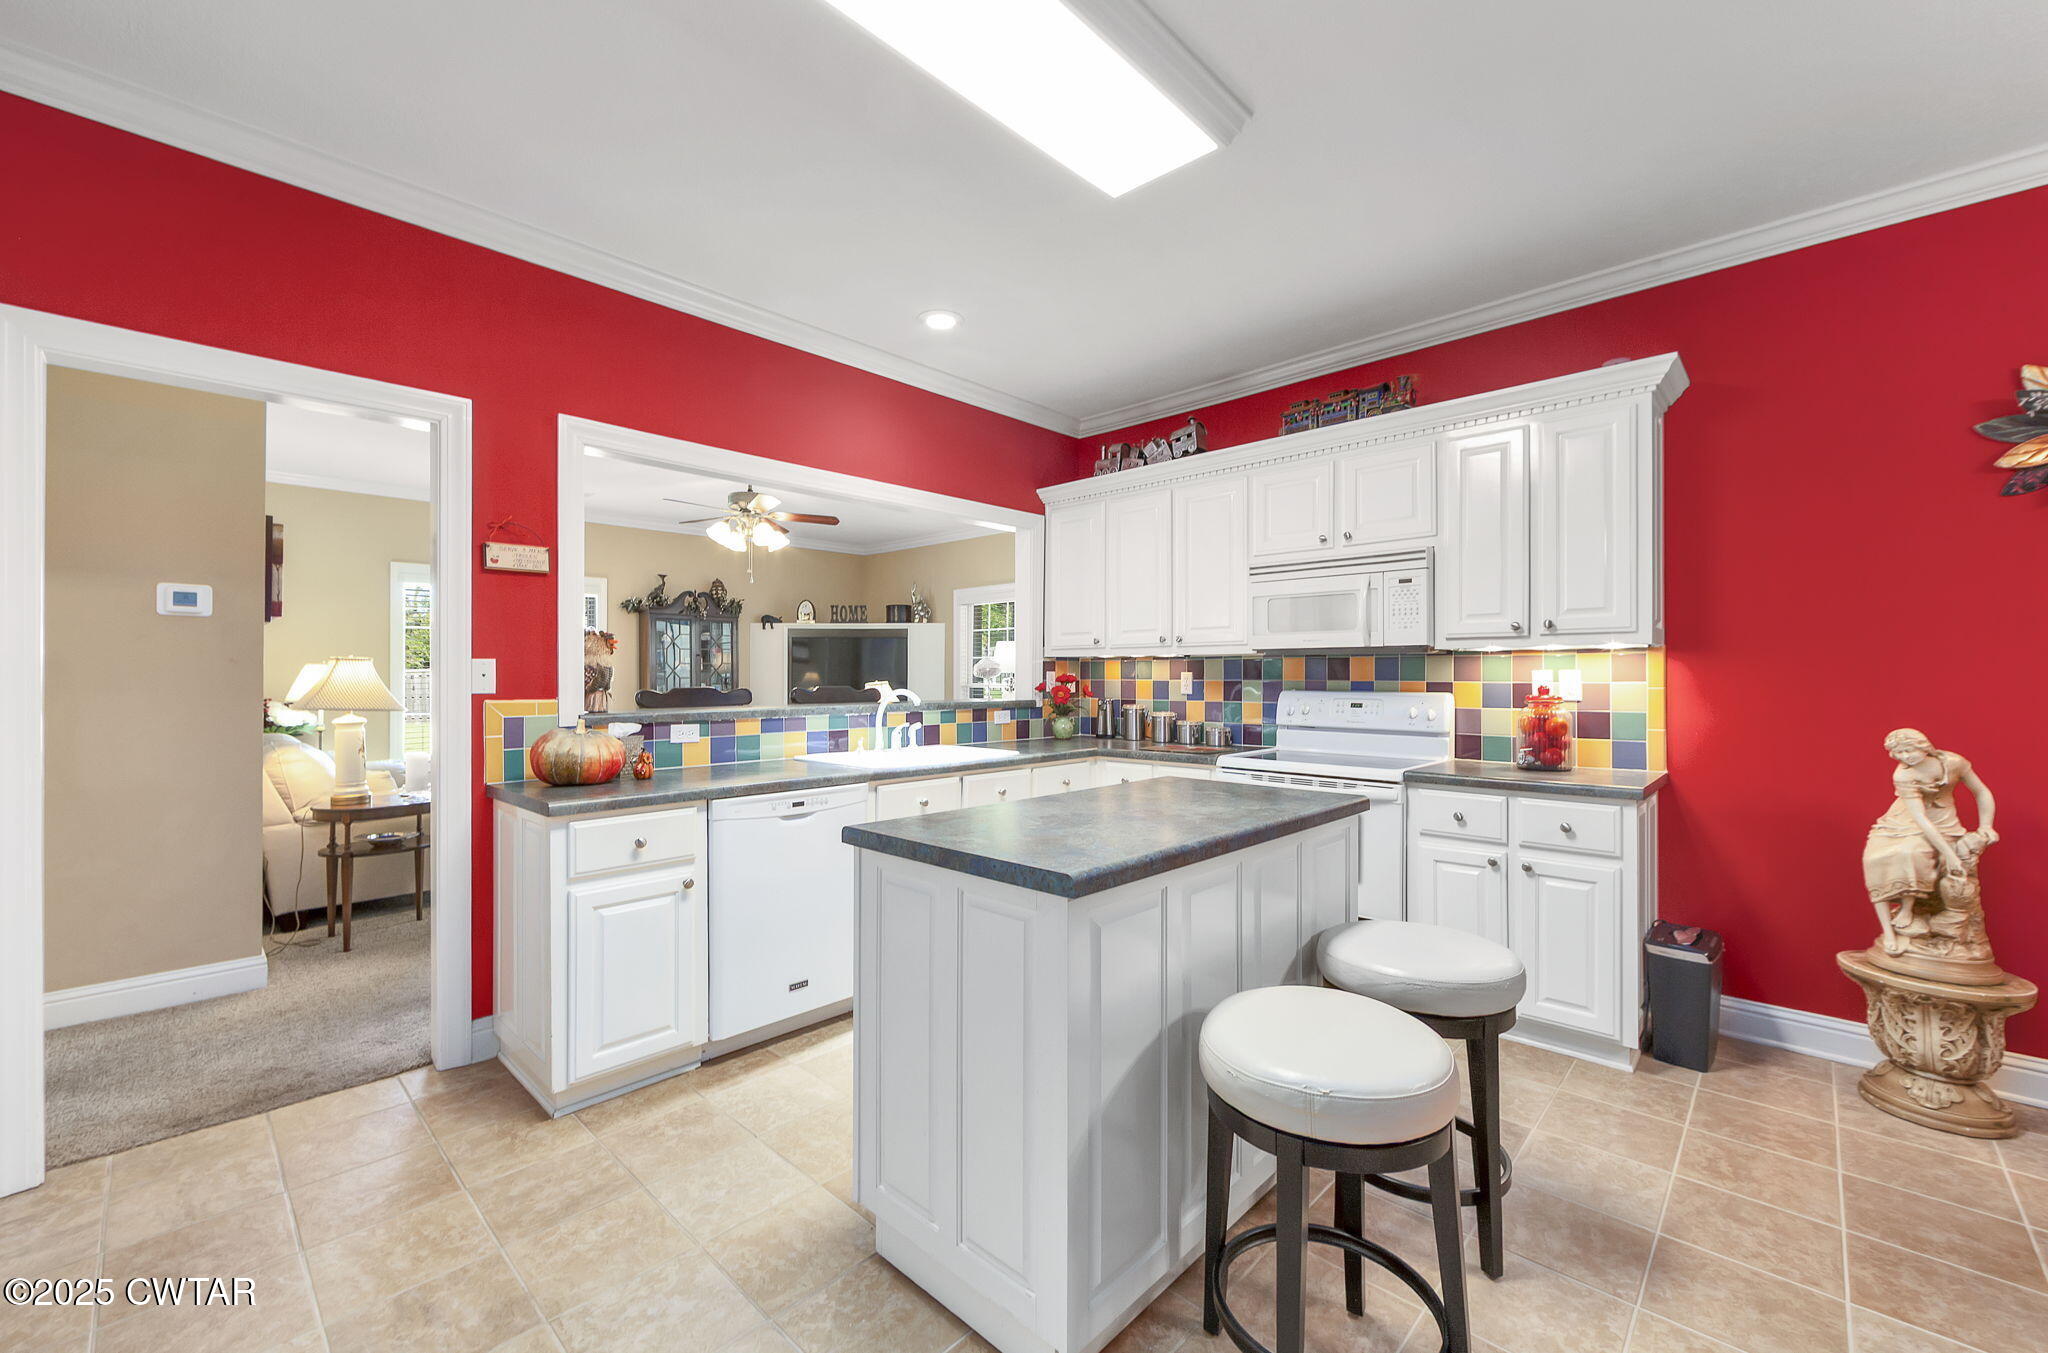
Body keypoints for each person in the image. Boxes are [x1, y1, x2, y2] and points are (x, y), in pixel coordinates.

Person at [1863, 728, 1998, 956]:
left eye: (1909, 750)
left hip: (1943, 823)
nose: (1905, 757)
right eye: (1899, 753)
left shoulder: (1953, 762)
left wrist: (1986, 825)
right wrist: (1950, 855)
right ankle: (1889, 930)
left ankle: (1908, 909)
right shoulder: (1903, 775)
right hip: (1903, 822)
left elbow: (1981, 792)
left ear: (1924, 746)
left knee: (1912, 852)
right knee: (1874, 858)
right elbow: (1920, 819)